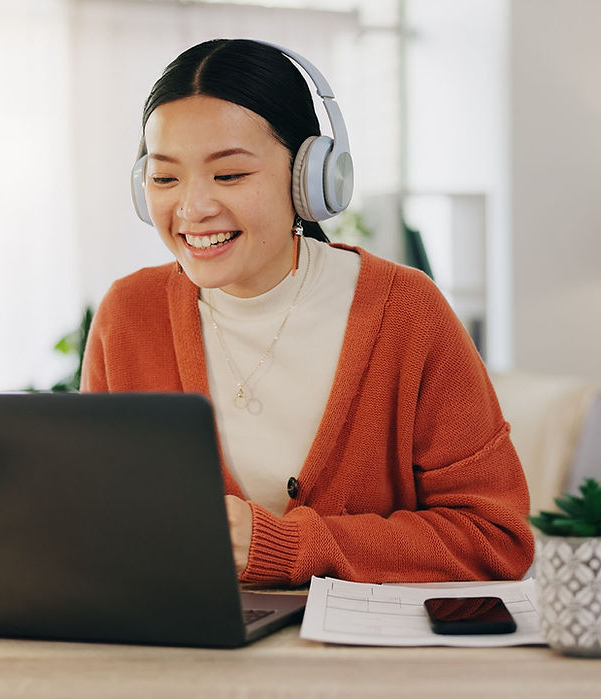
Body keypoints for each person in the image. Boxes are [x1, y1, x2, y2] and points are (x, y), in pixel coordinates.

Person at [82, 38, 532, 586]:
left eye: (229, 175)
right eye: (165, 177)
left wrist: (289, 546)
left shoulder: (408, 312)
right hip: (188, 655)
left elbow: (496, 538)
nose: (192, 208)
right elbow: (100, 524)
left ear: (311, 179)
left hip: (363, 664)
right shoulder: (129, 314)